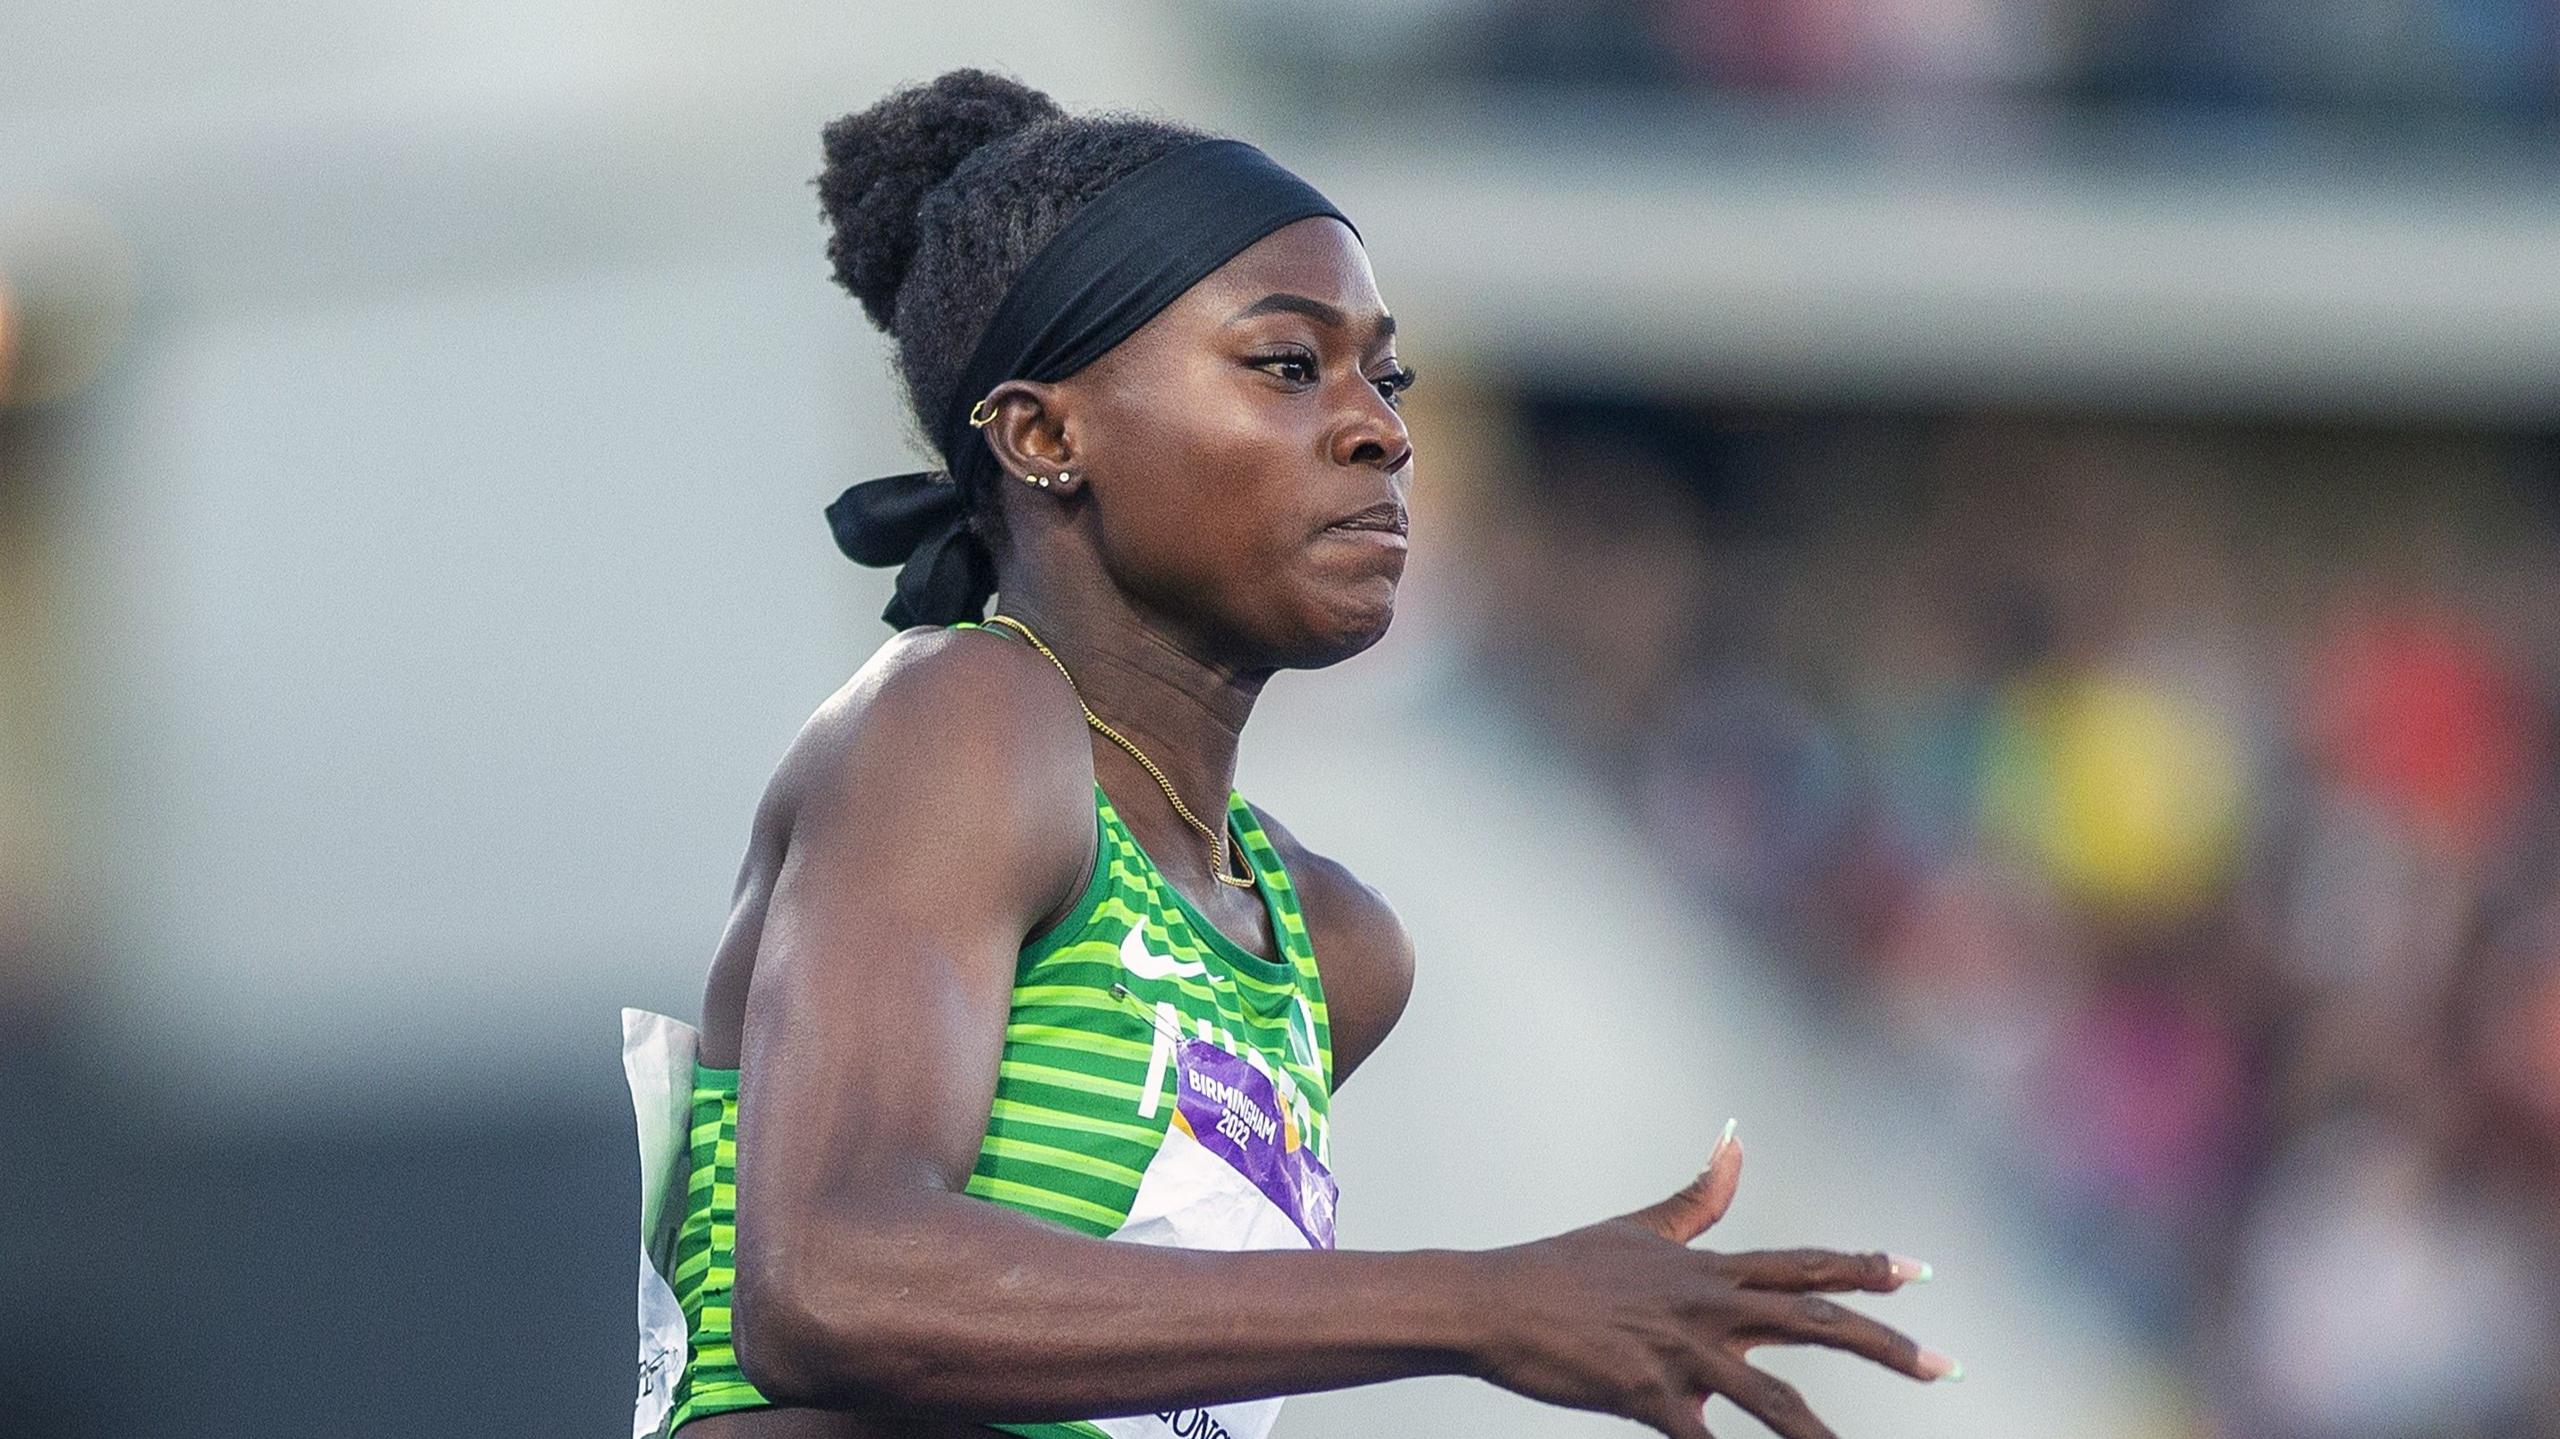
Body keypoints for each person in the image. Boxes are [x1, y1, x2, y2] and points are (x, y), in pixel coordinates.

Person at [636, 67, 1958, 1439]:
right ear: (1045, 434)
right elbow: (828, 1280)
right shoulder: (960, 724)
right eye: (1287, 364)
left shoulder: (1335, 951)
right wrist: (1479, 1307)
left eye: (1386, 375)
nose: (1381, 427)